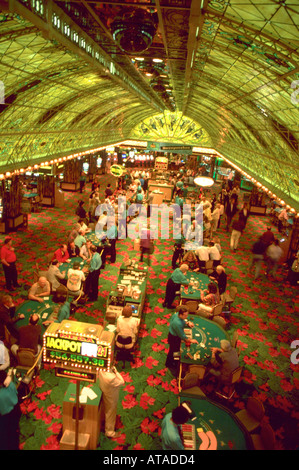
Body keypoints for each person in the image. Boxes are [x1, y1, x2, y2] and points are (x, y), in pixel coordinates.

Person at [165, 305, 198, 371]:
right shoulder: (177, 323)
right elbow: (182, 336)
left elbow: (183, 321)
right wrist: (191, 340)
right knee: (173, 351)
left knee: (174, 350)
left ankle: (174, 360)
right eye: (185, 316)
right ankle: (169, 363)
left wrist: (188, 323)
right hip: (174, 338)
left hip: (172, 334)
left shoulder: (177, 314)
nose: (187, 317)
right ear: (181, 314)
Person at [97, 364, 124, 438]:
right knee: (110, 412)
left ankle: (102, 420)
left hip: (103, 389)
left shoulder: (101, 368)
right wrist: (116, 372)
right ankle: (110, 432)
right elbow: (122, 382)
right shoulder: (111, 378)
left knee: (104, 407)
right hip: (111, 396)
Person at [0, 369, 21, 450]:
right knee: (14, 434)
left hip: (5, 417)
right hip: (15, 410)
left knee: (4, 438)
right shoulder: (11, 384)